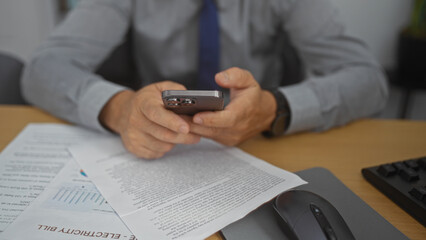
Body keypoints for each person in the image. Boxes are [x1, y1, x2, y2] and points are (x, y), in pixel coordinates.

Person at [22, 0, 388, 159]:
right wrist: (120, 109)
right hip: (160, 146)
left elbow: (368, 80)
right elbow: (44, 68)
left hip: (261, 146)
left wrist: (274, 109)